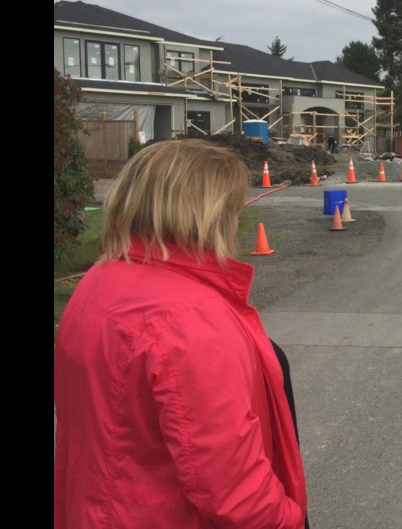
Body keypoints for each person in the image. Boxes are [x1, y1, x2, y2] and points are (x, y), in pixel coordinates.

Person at [53, 139, 309, 528]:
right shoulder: (191, 320)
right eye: (231, 208)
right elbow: (235, 492)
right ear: (206, 213)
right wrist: (289, 518)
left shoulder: (98, 282)